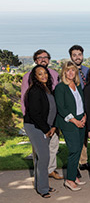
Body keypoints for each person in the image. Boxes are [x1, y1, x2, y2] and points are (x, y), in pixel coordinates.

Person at [21, 49, 63, 180]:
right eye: (40, 57)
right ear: (35, 60)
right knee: (39, 151)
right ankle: (39, 174)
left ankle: (51, 170)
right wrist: (29, 119)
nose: (43, 59)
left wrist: (56, 122)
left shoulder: (54, 74)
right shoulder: (28, 76)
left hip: (52, 119)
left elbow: (56, 97)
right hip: (37, 120)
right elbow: (24, 99)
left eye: (46, 57)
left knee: (53, 146)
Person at [23, 65, 57, 198]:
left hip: (46, 127)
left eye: (45, 73)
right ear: (35, 77)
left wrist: (53, 126)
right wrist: (47, 129)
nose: (44, 76)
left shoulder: (47, 89)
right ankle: (43, 189)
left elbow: (53, 109)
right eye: (40, 74)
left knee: (40, 158)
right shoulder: (34, 91)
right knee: (44, 157)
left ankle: (41, 185)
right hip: (35, 127)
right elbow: (35, 114)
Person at [55, 61, 86, 191]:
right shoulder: (60, 87)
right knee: (73, 150)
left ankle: (73, 176)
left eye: (73, 70)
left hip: (81, 119)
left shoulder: (78, 85)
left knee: (78, 149)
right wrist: (75, 121)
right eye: (68, 70)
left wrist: (84, 116)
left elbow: (82, 103)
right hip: (69, 122)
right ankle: (69, 180)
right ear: (64, 73)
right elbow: (61, 109)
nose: (70, 73)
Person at [69, 44, 90, 172]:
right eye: (74, 55)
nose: (77, 57)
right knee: (75, 138)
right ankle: (75, 164)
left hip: (87, 107)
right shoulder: (69, 72)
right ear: (71, 57)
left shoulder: (87, 70)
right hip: (74, 108)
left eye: (79, 54)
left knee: (84, 136)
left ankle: (84, 161)